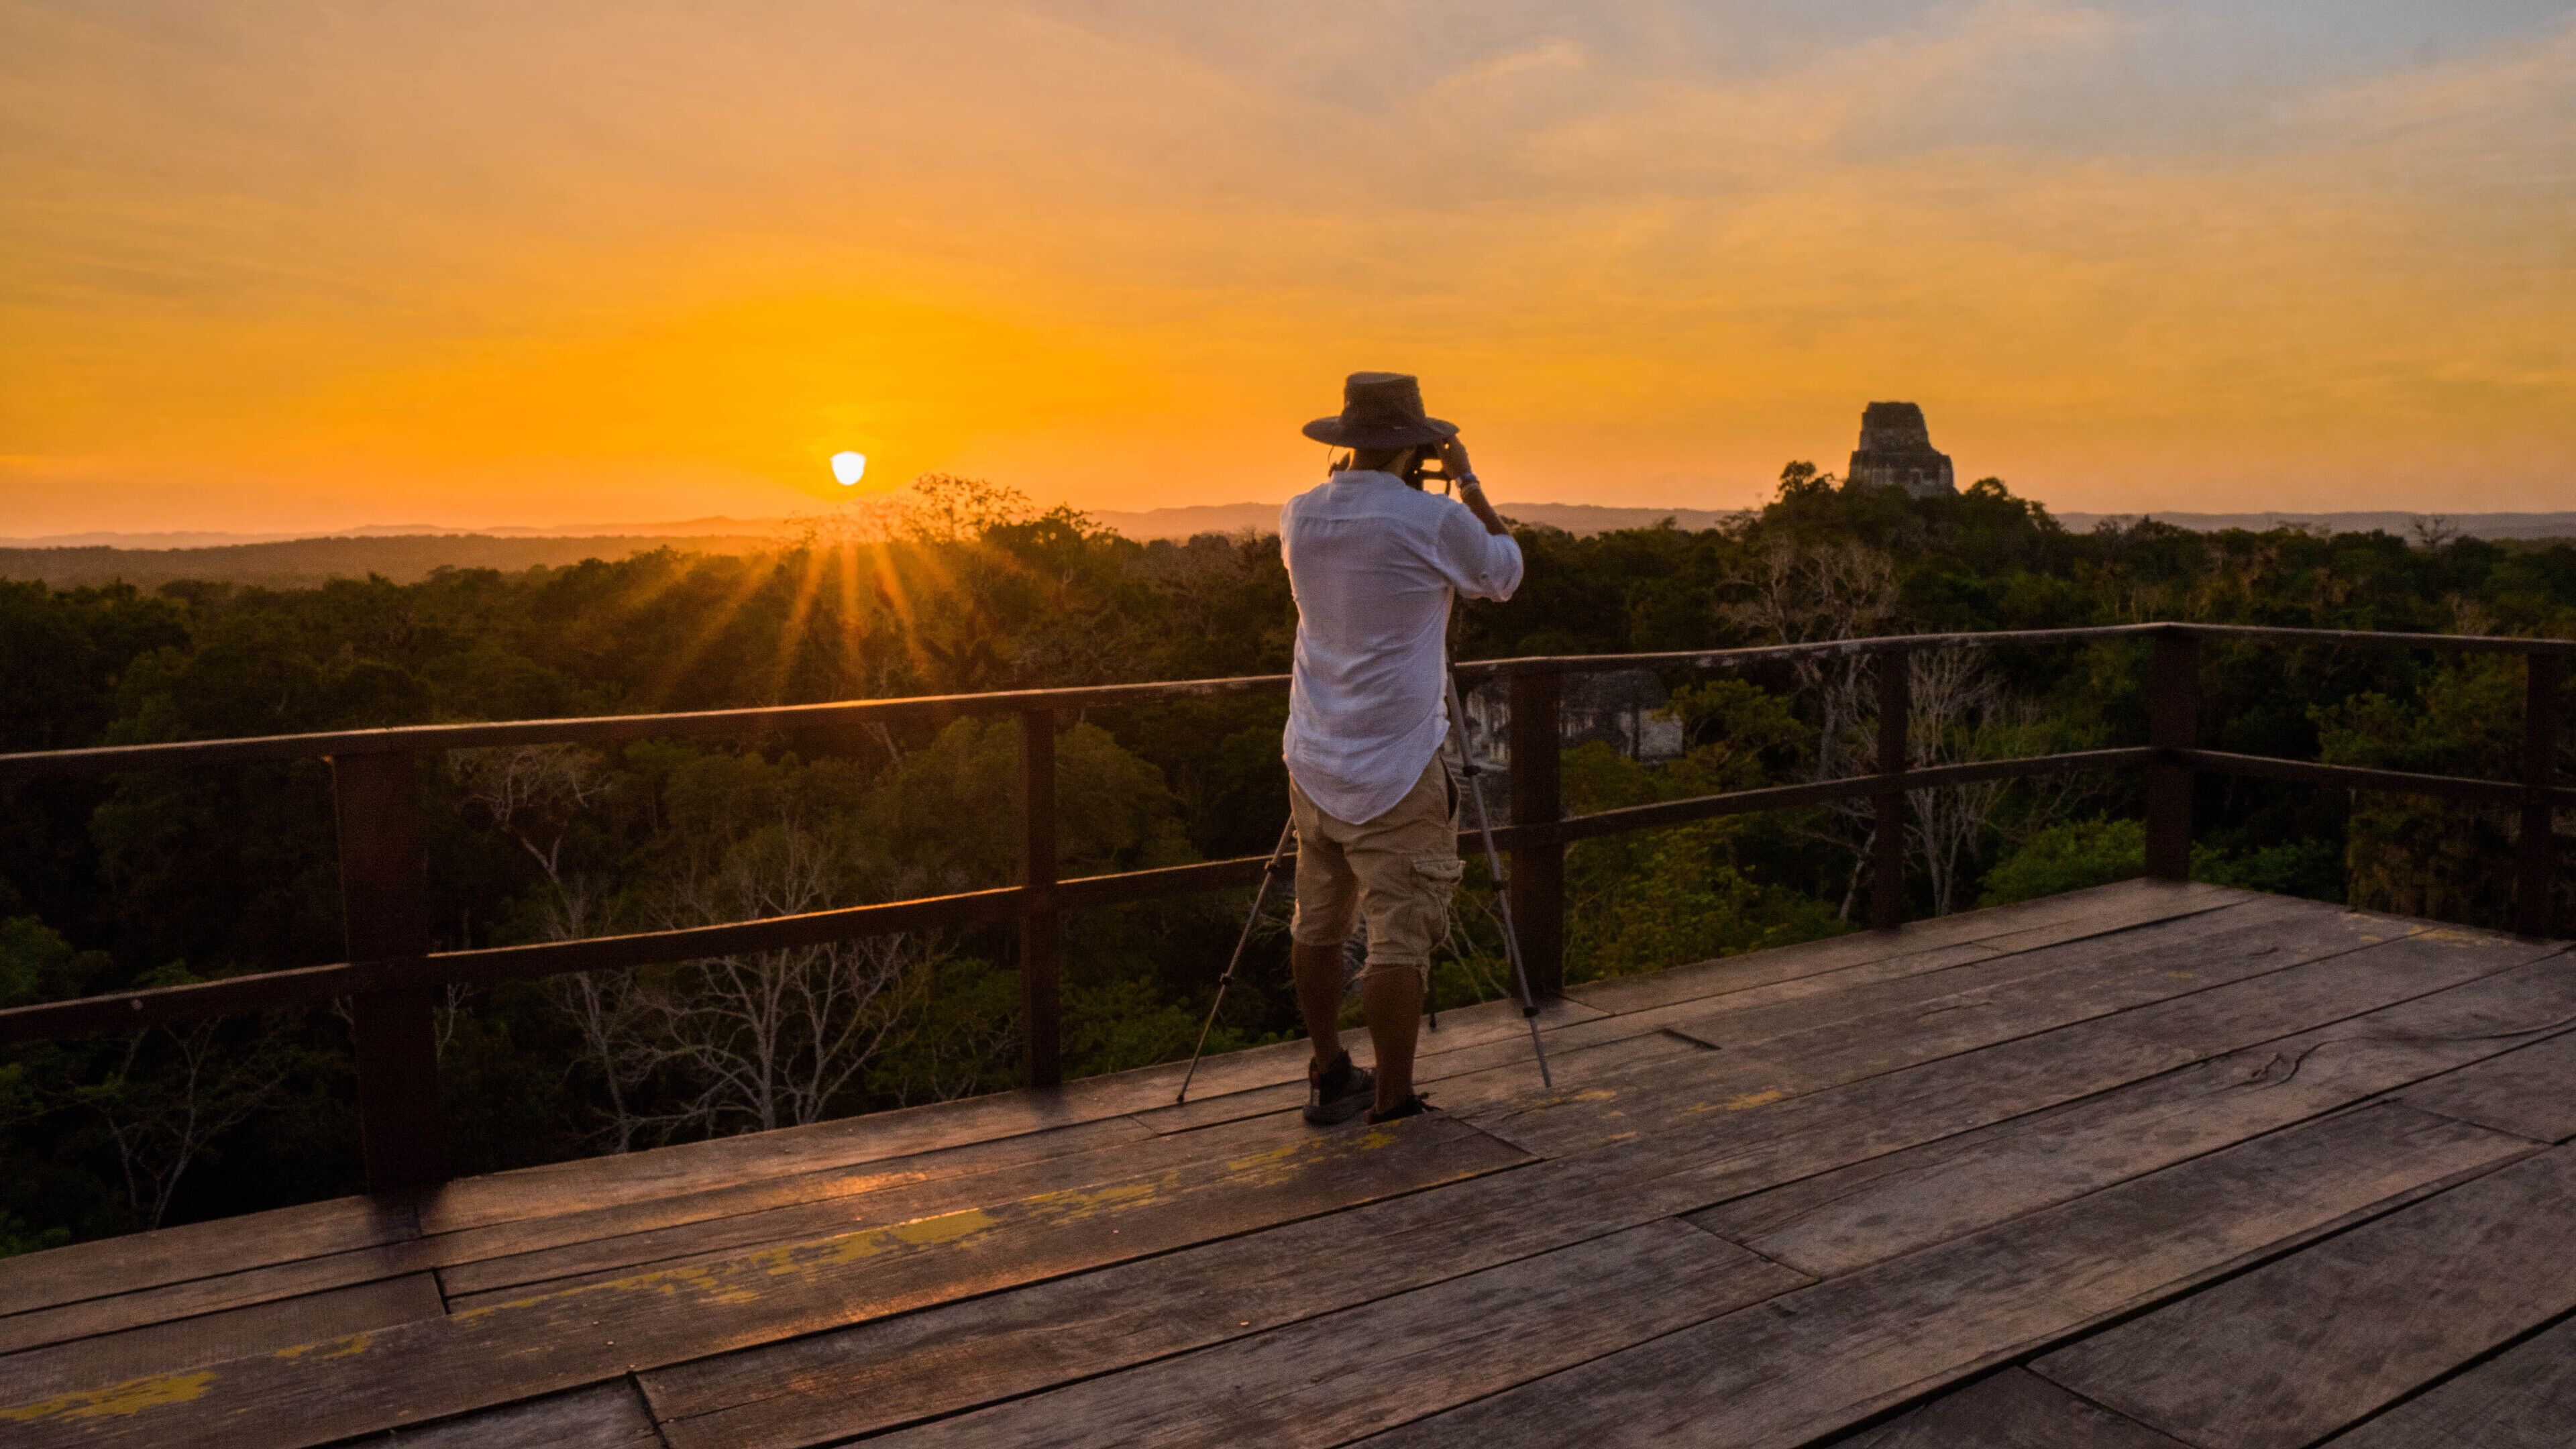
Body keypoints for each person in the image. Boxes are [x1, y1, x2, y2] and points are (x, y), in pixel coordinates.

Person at [1281, 372, 1522, 1126]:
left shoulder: (1299, 516)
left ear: (1345, 440)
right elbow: (1505, 573)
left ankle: (1329, 1071)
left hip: (1315, 757)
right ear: (1417, 444)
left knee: (1316, 926)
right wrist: (1468, 481)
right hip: (1398, 765)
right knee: (1399, 940)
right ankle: (1392, 1102)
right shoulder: (1431, 520)